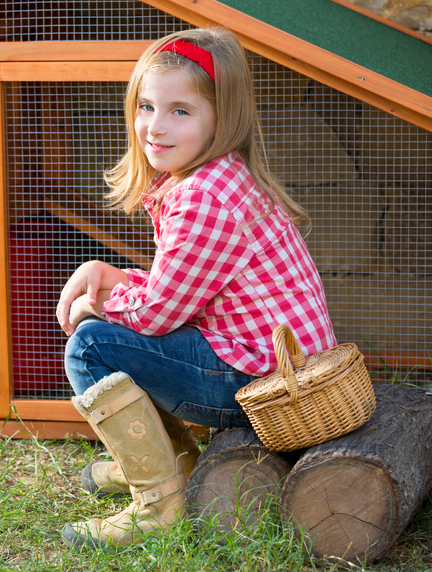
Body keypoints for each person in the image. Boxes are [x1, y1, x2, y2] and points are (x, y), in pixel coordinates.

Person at [55, 27, 337, 550]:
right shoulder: (219, 177)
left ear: (221, 118)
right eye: (145, 106)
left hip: (265, 388)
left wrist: (102, 300)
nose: (154, 127)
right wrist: (115, 277)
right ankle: (176, 463)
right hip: (269, 367)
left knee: (91, 343)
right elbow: (184, 291)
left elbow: (160, 315)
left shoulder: (204, 197)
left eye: (180, 111)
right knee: (110, 330)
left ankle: (158, 504)